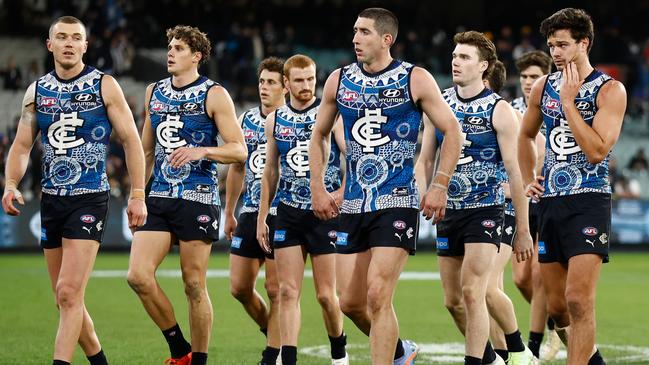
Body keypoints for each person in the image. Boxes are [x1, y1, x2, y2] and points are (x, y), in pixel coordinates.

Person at [309, 7, 463, 365]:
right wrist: (318, 185)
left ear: (386, 39)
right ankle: (400, 352)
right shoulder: (338, 80)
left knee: (378, 295)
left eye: (363, 32)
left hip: (397, 200)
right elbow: (319, 134)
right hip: (352, 204)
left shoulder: (415, 78)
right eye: (354, 31)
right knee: (350, 303)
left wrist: (440, 183)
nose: (355, 39)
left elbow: (452, 130)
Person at [1, 16, 147, 365]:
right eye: (61, 37)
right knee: (65, 299)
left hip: (90, 198)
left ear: (85, 45)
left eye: (76, 37)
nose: (69, 43)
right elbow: (22, 147)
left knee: (68, 293)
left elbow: (131, 142)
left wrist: (138, 193)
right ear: (49, 45)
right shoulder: (36, 91)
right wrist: (9, 184)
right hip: (52, 201)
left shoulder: (104, 86)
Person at [125, 25, 246, 365]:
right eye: (170, 46)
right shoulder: (154, 92)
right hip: (159, 197)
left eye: (179, 48)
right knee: (137, 276)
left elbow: (239, 151)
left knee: (193, 285)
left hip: (198, 198)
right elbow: (145, 151)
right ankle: (181, 351)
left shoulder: (214, 94)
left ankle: (200, 361)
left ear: (196, 56)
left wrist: (202, 151)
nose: (171, 52)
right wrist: (137, 195)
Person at [417, 31, 534, 365]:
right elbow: (426, 158)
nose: (456, 61)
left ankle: (488, 359)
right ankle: (494, 360)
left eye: (464, 57)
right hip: (447, 212)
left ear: (484, 66)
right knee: (452, 301)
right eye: (455, 55)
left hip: (485, 209)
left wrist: (522, 228)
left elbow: (515, 173)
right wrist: (426, 192)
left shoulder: (499, 110)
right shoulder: (438, 103)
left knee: (473, 291)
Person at [518, 8, 627, 365]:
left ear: (584, 43)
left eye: (563, 44)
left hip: (589, 201)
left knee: (580, 300)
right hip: (550, 202)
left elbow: (597, 150)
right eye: (551, 45)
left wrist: (568, 103)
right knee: (558, 307)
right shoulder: (542, 87)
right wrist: (528, 176)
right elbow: (525, 134)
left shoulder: (610, 89)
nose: (556, 52)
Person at [256, 54, 348, 365]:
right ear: (286, 83)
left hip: (325, 214)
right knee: (286, 292)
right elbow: (270, 171)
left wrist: (342, 193)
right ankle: (289, 359)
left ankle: (339, 352)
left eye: (311, 79)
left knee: (325, 295)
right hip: (288, 212)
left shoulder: (331, 115)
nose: (307, 85)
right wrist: (261, 218)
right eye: (299, 80)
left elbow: (354, 157)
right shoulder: (275, 120)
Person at [223, 56, 286, 365]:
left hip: (280, 211)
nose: (264, 87)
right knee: (239, 288)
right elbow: (237, 168)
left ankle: (272, 353)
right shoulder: (246, 120)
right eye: (262, 81)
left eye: (271, 82)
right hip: (248, 212)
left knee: (275, 289)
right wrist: (229, 211)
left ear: (285, 86)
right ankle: (273, 333)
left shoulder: (293, 119)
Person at [511, 50, 561, 361]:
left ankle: (535, 343)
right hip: (523, 198)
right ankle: (555, 319)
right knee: (520, 279)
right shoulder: (511, 109)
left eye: (534, 77)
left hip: (549, 195)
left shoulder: (554, 104)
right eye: (525, 77)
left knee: (540, 275)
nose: (529, 82)